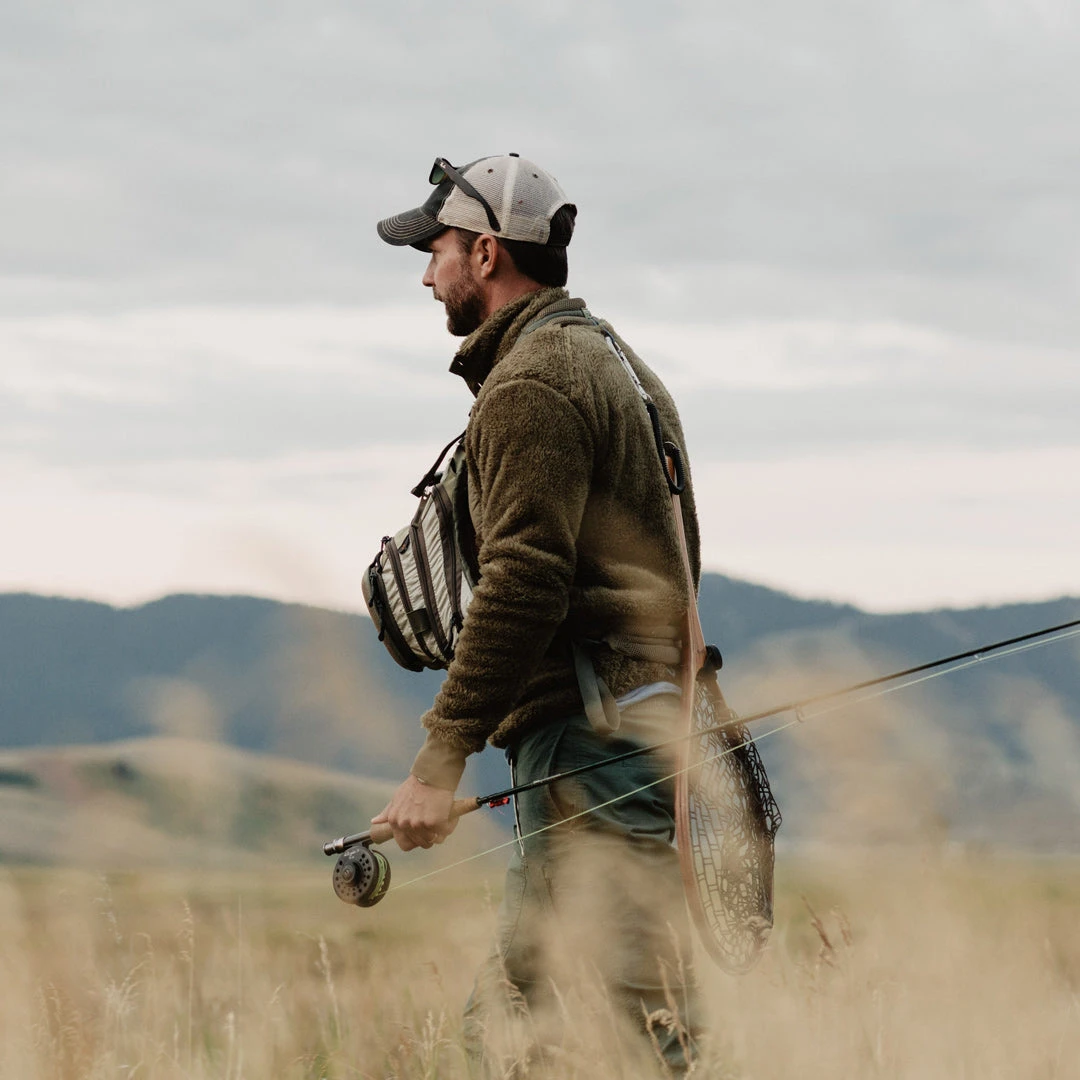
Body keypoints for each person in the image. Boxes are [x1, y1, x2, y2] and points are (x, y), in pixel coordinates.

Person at [372, 154, 706, 1075]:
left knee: (618, 1032)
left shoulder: (532, 385)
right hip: (633, 727)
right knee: (543, 1024)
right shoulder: (613, 362)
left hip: (588, 741)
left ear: (485, 252)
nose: (425, 271)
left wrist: (439, 762)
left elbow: (524, 583)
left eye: (435, 247)